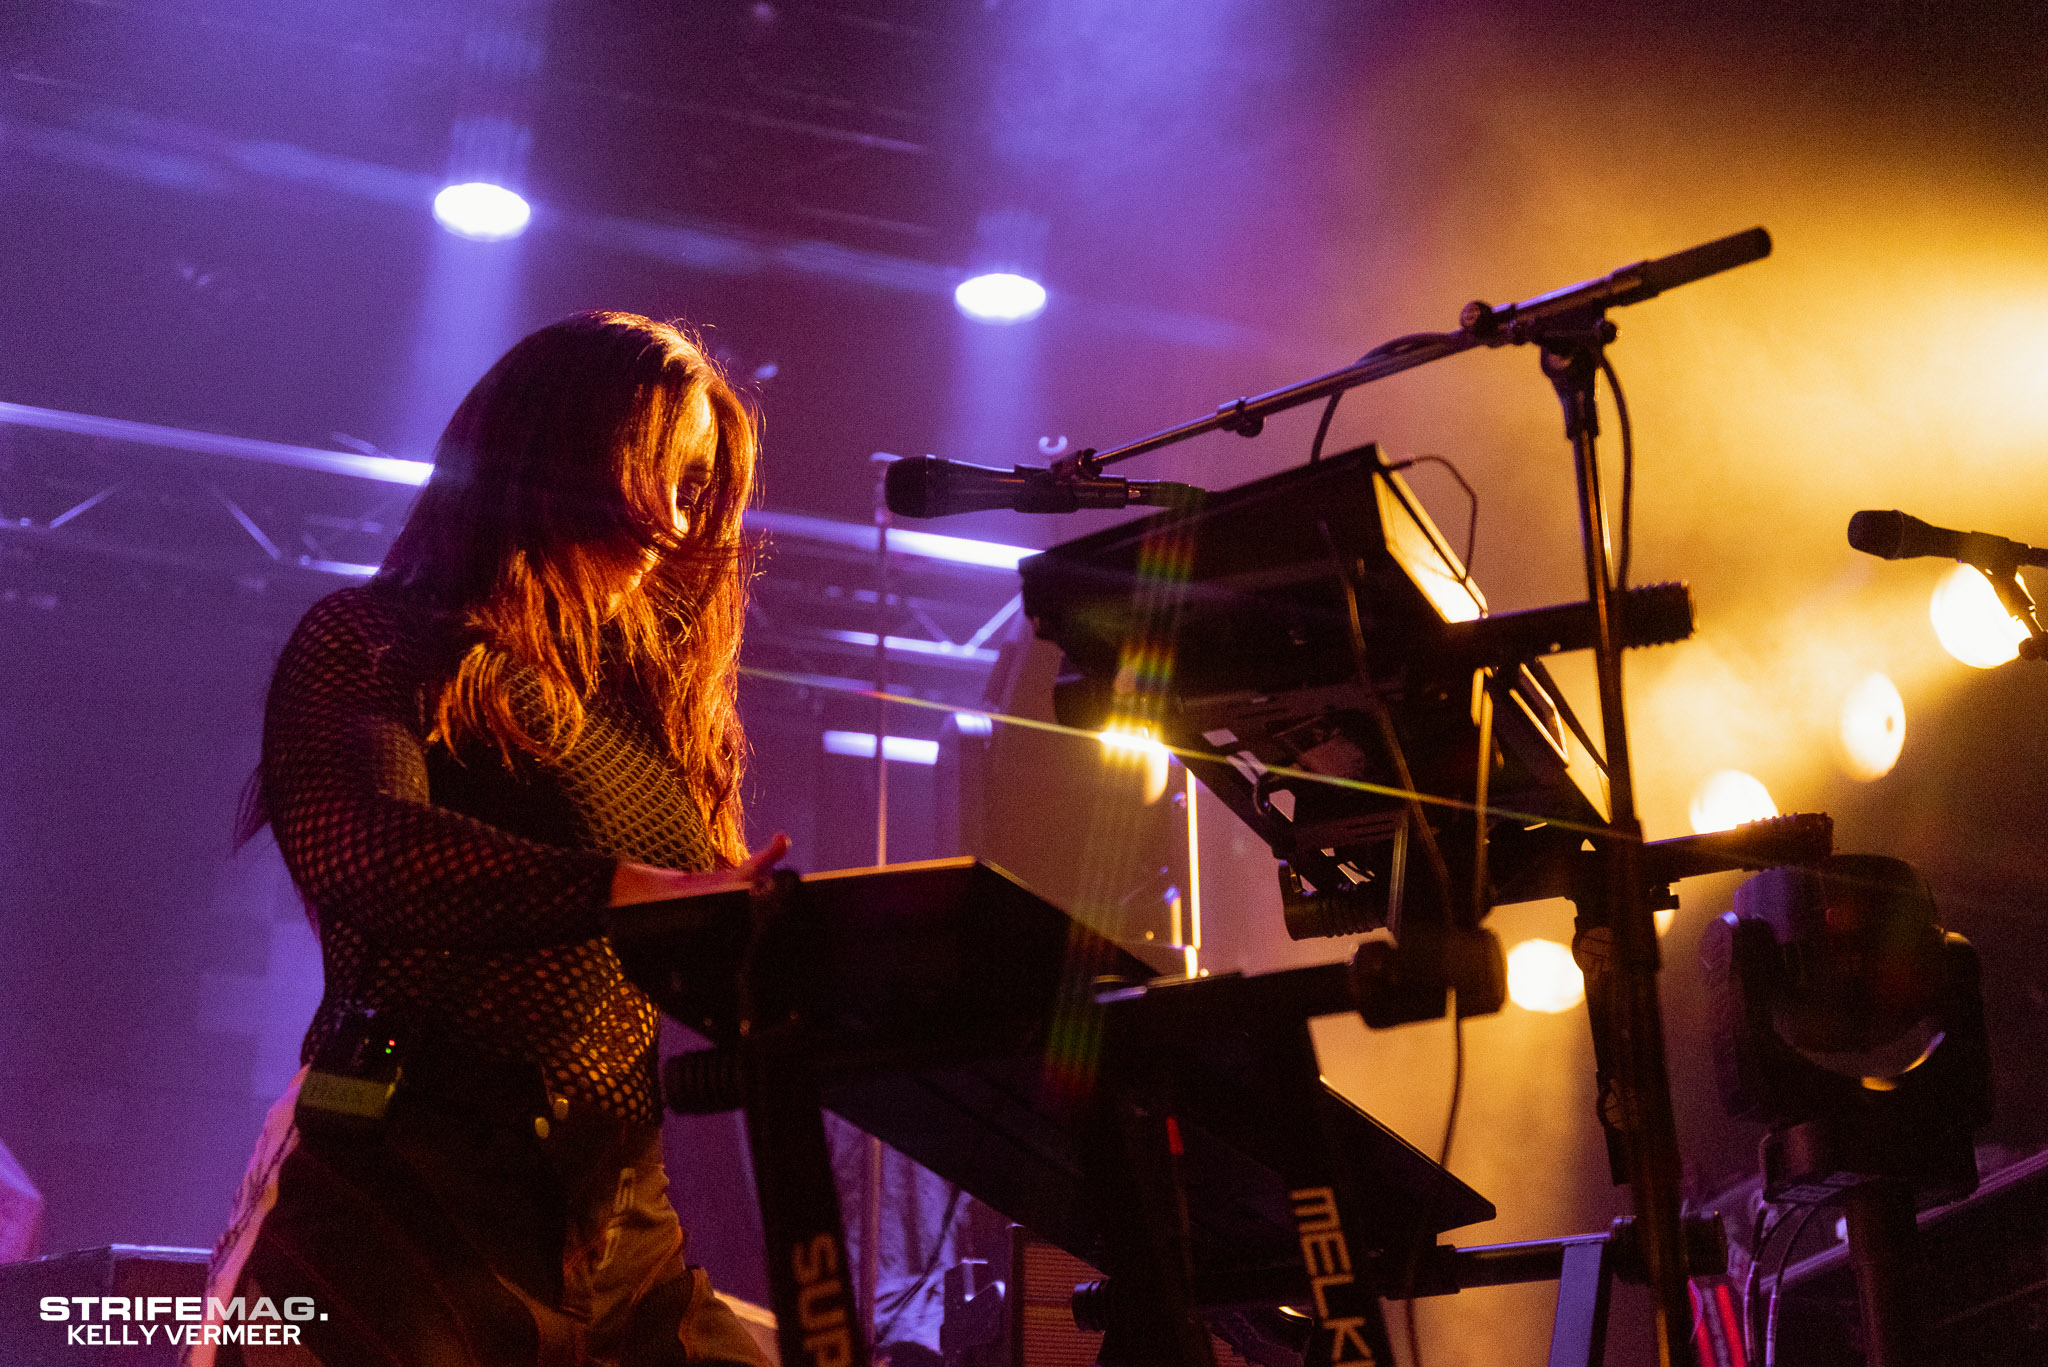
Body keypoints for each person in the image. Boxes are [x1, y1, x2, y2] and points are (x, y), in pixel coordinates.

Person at [195, 311, 787, 1367]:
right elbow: (365, 849)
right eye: (663, 472)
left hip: (620, 1225)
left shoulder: (659, 717)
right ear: (556, 457)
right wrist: (618, 888)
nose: (680, 520)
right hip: (407, 1190)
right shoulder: (374, 640)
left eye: (703, 487)